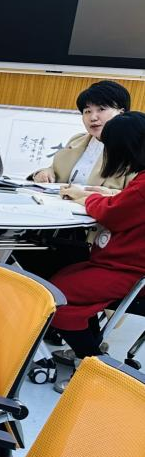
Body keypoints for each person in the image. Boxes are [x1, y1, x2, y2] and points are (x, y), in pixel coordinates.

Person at [45, 112, 145, 385]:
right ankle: (89, 352)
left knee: (54, 297)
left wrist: (85, 199)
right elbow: (123, 204)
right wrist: (92, 197)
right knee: (62, 279)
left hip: (129, 270)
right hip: (121, 262)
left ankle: (92, 363)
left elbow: (114, 214)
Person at [31, 80, 132, 186]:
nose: (93, 117)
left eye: (101, 109)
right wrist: (45, 173)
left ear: (121, 113)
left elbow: (136, 193)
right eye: (87, 111)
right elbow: (54, 170)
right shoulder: (77, 140)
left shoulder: (134, 150)